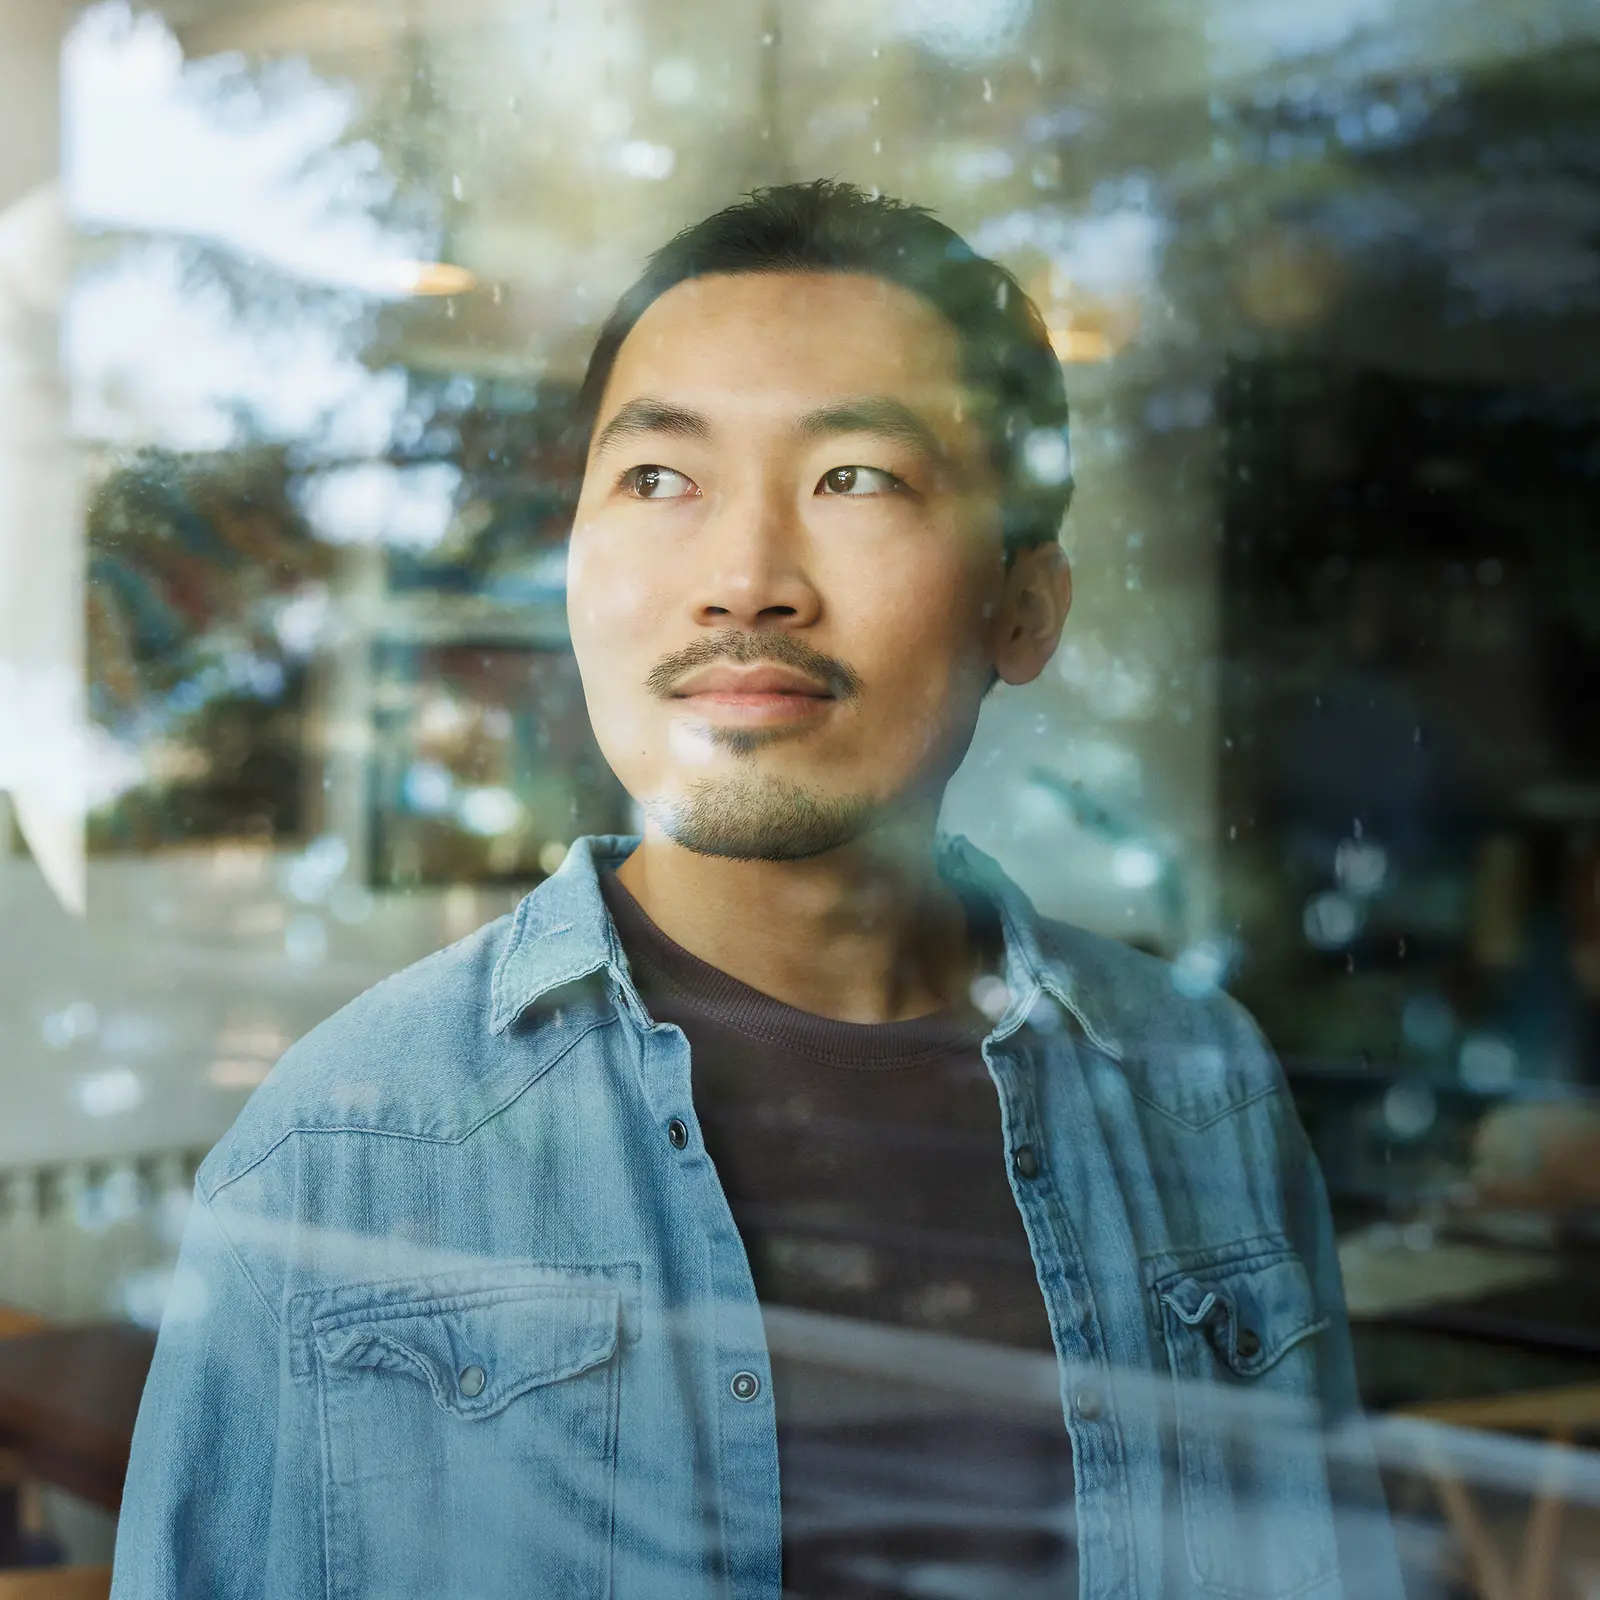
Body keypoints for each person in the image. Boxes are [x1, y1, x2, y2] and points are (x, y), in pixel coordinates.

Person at [112, 181, 1401, 1600]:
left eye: (857, 477)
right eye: (659, 478)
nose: (741, 581)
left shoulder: (1196, 1085)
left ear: (1024, 606)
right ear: (574, 567)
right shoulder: (347, 1148)